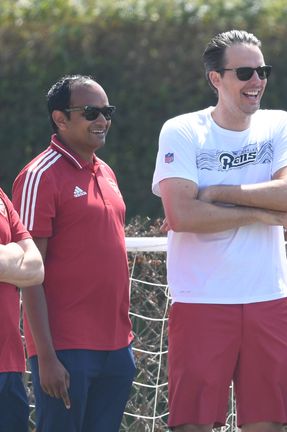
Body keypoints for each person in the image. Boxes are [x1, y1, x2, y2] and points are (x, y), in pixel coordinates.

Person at [151, 29, 287, 432]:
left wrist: (218, 192)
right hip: (201, 300)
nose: (256, 81)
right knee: (193, 425)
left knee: (268, 424)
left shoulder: (280, 124)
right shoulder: (182, 130)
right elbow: (183, 214)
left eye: (262, 70)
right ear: (215, 79)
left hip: (268, 299)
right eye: (244, 72)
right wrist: (261, 214)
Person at [12, 75, 136, 431]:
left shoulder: (107, 172)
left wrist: (125, 344)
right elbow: (29, 273)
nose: (102, 120)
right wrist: (46, 357)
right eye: (91, 112)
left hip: (116, 350)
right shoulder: (39, 175)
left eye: (107, 111)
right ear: (60, 119)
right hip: (66, 351)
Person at [0, 188, 44, 431]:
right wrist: (14, 251)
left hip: (10, 367)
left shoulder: (1, 197)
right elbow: (25, 256)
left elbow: (36, 269)